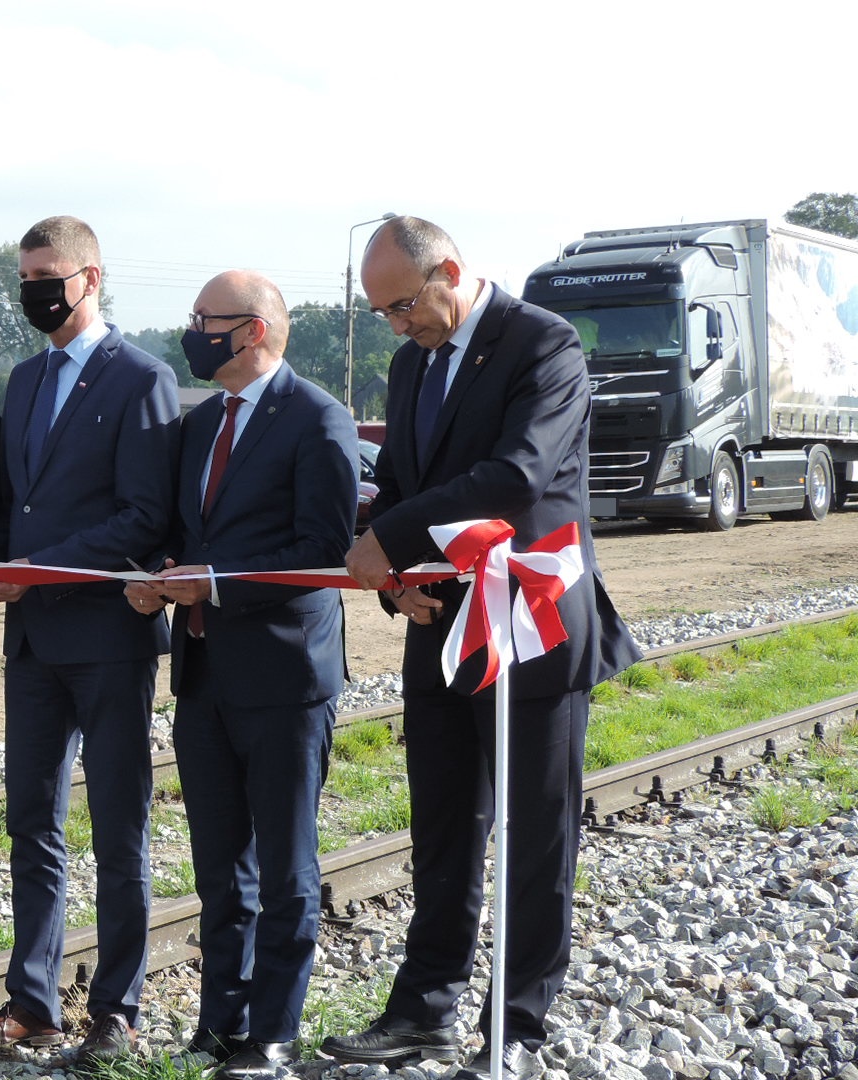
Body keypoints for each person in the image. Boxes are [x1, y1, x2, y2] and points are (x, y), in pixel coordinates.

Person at [326, 217, 641, 1080]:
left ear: (451, 272)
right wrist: (399, 580)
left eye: (402, 305)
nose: (396, 325)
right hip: (439, 626)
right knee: (442, 830)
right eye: (383, 312)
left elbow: (519, 472)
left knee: (537, 834)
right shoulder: (409, 362)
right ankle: (424, 1012)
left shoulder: (545, 344)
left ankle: (518, 1024)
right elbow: (402, 482)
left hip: (529, 622)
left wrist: (389, 536)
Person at [124, 272, 358, 1078]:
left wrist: (215, 582)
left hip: (286, 677)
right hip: (205, 674)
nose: (191, 331)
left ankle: (274, 1033)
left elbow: (323, 555)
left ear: (252, 331)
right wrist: (154, 574)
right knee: (220, 862)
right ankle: (221, 1021)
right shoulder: (198, 427)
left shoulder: (319, 421)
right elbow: (182, 531)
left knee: (286, 865)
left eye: (204, 320)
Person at [0, 215, 178, 1063]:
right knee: (31, 823)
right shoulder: (21, 380)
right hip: (34, 642)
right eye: (25, 278)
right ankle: (35, 999)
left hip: (109, 636)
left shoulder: (143, 378)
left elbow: (143, 516)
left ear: (90, 277)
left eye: (47, 275)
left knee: (119, 826)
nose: (34, 293)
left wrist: (37, 568)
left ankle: (117, 1008)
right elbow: (12, 504)